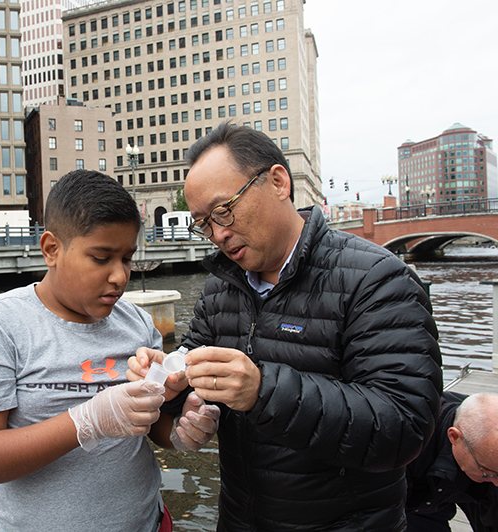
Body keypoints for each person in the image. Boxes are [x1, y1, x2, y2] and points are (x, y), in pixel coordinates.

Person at [128, 123, 443, 531]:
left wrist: (263, 391)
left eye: (225, 210)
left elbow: (404, 427)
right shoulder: (221, 287)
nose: (219, 234)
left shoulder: (377, 279)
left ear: (278, 182)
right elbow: (193, 378)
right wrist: (167, 382)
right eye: (204, 223)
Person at [0, 169, 220, 532]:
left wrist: (182, 431)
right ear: (51, 249)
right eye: (101, 257)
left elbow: (153, 427)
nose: (120, 276)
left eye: (126, 258)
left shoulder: (137, 324)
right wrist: (87, 421)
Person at [406, 391, 498, 532]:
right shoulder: (407, 440)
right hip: (411, 497)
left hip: (463, 490)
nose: (497, 482)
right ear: (454, 437)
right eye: (490, 473)